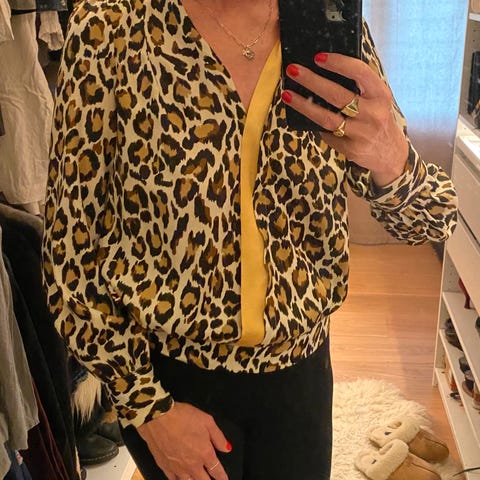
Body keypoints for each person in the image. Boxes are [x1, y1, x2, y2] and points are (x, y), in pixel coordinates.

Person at [41, 0, 458, 479]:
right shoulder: (110, 26)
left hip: (302, 376)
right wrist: (146, 407)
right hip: (172, 382)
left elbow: (431, 221)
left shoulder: (327, 23)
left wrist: (392, 159)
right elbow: (69, 249)